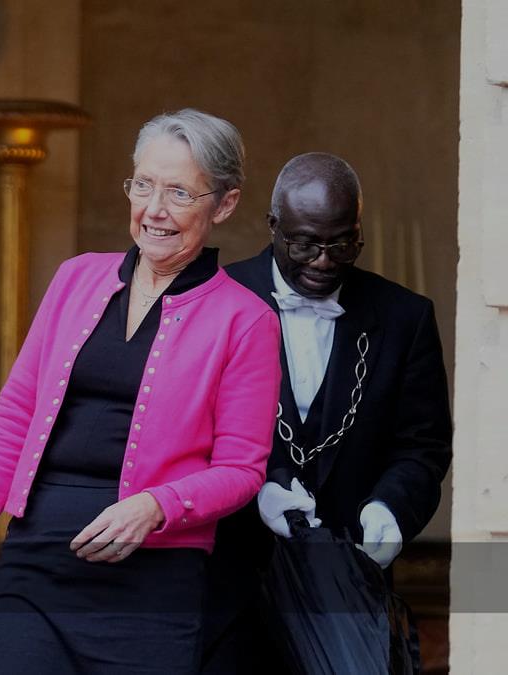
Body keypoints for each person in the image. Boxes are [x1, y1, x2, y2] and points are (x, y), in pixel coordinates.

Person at [0, 109, 282, 674]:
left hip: (152, 585)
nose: (154, 210)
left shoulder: (247, 320)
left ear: (224, 204)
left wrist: (156, 506)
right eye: (143, 185)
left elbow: (242, 470)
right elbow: (15, 415)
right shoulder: (76, 278)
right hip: (36, 561)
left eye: (179, 193)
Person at [201, 152, 453, 672]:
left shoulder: (405, 317)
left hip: (347, 595)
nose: (322, 261)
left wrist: (391, 508)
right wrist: (256, 485)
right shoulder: (213, 300)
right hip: (228, 589)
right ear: (273, 225)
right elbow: (185, 430)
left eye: (342, 244)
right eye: (305, 243)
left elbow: (422, 447)